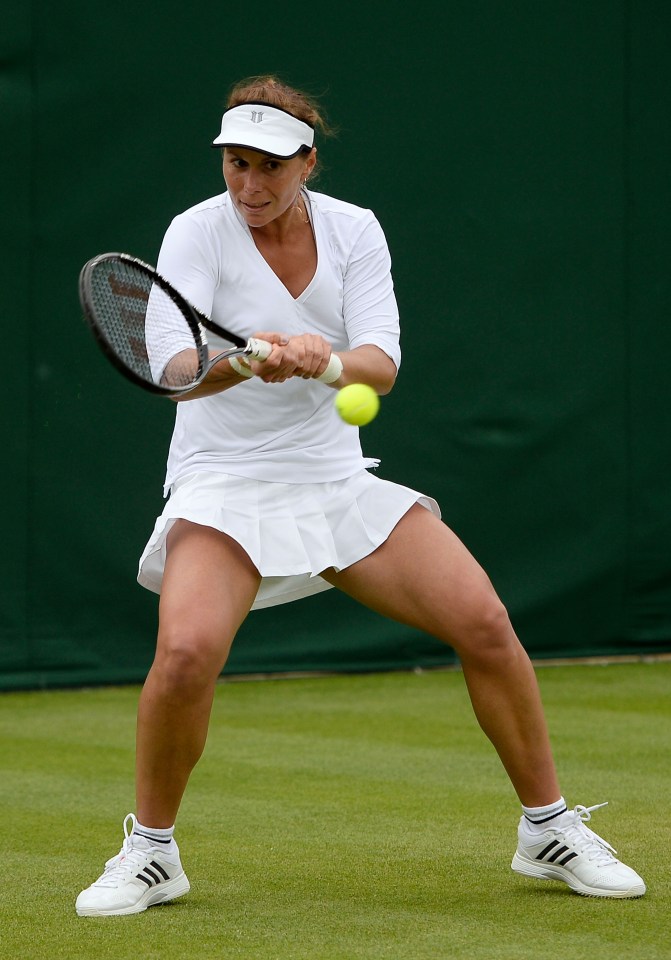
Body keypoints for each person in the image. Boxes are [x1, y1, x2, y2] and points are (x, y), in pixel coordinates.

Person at [75, 76, 645, 916]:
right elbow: (171, 375)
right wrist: (240, 361)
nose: (248, 185)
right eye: (235, 164)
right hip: (223, 482)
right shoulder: (195, 232)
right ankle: (152, 853)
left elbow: (381, 360)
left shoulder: (354, 230)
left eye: (269, 166)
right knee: (187, 653)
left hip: (333, 477)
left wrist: (322, 358)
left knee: (484, 623)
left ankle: (547, 830)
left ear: (307, 161)